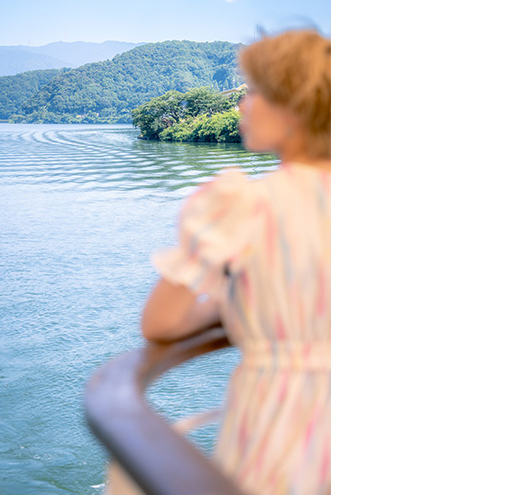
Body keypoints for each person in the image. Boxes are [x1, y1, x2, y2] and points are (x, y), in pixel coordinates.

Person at [142, 29, 331, 495]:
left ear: (295, 107)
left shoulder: (243, 203)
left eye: (253, 92)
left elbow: (161, 322)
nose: (241, 105)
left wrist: (227, 303)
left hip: (281, 418)